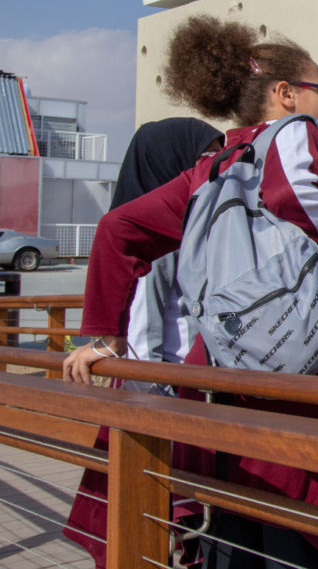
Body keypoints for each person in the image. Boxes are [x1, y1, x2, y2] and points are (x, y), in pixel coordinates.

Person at [61, 14, 318, 569]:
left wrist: (101, 337)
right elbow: (293, 188)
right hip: (300, 374)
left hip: (224, 376)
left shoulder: (210, 167)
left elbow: (117, 230)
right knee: (302, 532)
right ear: (286, 94)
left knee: (240, 534)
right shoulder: (295, 133)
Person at [63, 116, 223, 568]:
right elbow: (144, 334)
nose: (209, 169)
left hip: (169, 393)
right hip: (159, 397)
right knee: (152, 522)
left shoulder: (182, 229)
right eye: (200, 158)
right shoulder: (154, 241)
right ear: (168, 163)